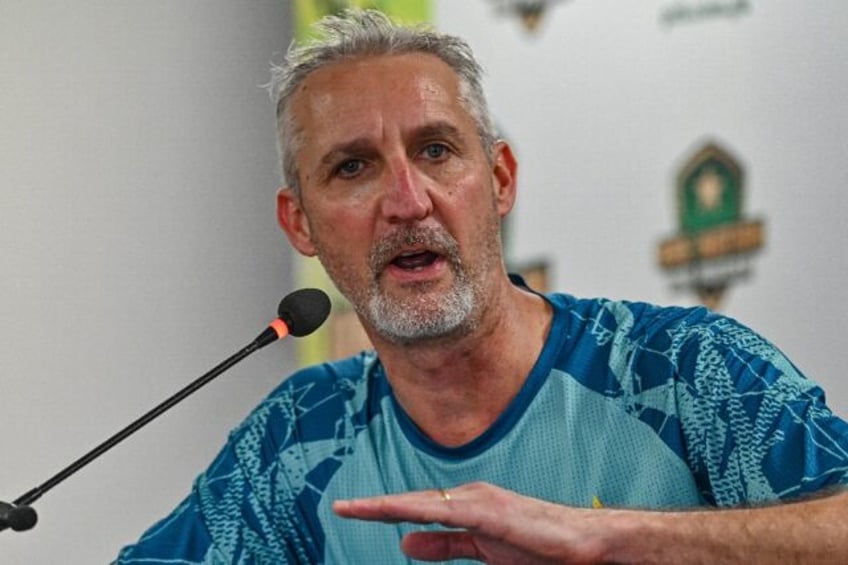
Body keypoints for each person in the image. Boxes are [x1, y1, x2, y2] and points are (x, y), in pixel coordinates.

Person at [117, 9, 848, 564]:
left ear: (499, 180)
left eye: (436, 150)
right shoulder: (297, 442)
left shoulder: (683, 367)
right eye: (353, 167)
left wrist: (612, 538)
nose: (408, 199)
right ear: (300, 223)